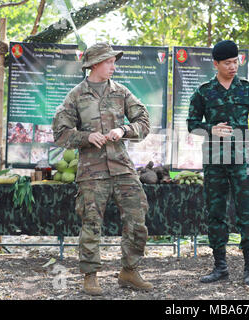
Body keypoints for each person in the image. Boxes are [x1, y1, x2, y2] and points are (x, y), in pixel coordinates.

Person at [52, 42, 152, 296]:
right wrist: (86, 138)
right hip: (92, 171)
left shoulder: (121, 92)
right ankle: (90, 275)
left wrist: (124, 130)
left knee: (137, 217)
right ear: (95, 64)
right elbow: (61, 133)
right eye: (109, 62)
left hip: (122, 167)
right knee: (91, 222)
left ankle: (129, 271)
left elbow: (143, 121)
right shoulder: (75, 95)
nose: (113, 66)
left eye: (113, 61)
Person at [187, 40, 249, 286]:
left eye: (236, 62)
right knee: (216, 213)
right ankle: (220, 267)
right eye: (227, 63)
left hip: (241, 160)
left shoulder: (246, 88)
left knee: (247, 211)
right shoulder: (204, 91)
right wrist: (210, 128)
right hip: (214, 160)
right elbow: (192, 124)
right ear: (216, 64)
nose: (233, 67)